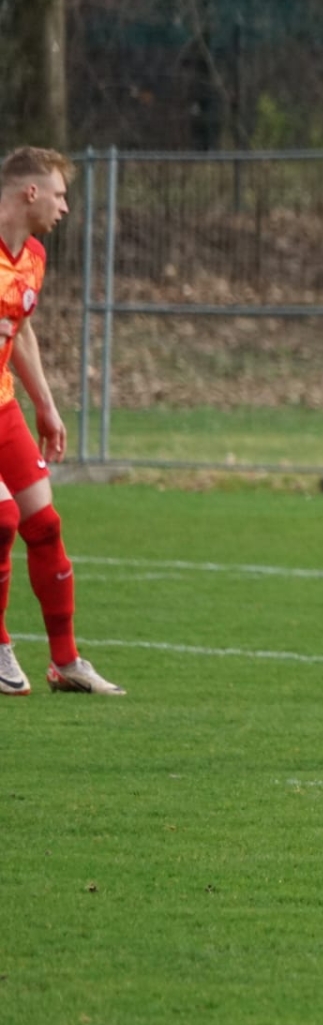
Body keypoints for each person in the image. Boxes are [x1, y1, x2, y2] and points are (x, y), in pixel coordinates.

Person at [0, 147, 121, 698]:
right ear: (31, 193)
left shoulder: (33, 256)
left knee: (44, 524)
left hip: (4, 406)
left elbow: (20, 327)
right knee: (3, 518)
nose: (65, 206)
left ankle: (66, 663)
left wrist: (45, 404)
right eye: (59, 194)